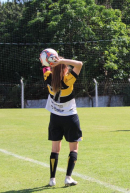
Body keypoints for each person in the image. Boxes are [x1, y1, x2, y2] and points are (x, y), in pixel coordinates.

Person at [42, 56, 83, 187]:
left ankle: (52, 179)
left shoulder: (48, 77)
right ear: (65, 69)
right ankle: (68, 177)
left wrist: (48, 60)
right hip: (70, 118)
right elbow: (79, 64)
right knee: (74, 148)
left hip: (55, 118)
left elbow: (45, 66)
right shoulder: (67, 80)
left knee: (55, 149)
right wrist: (62, 60)